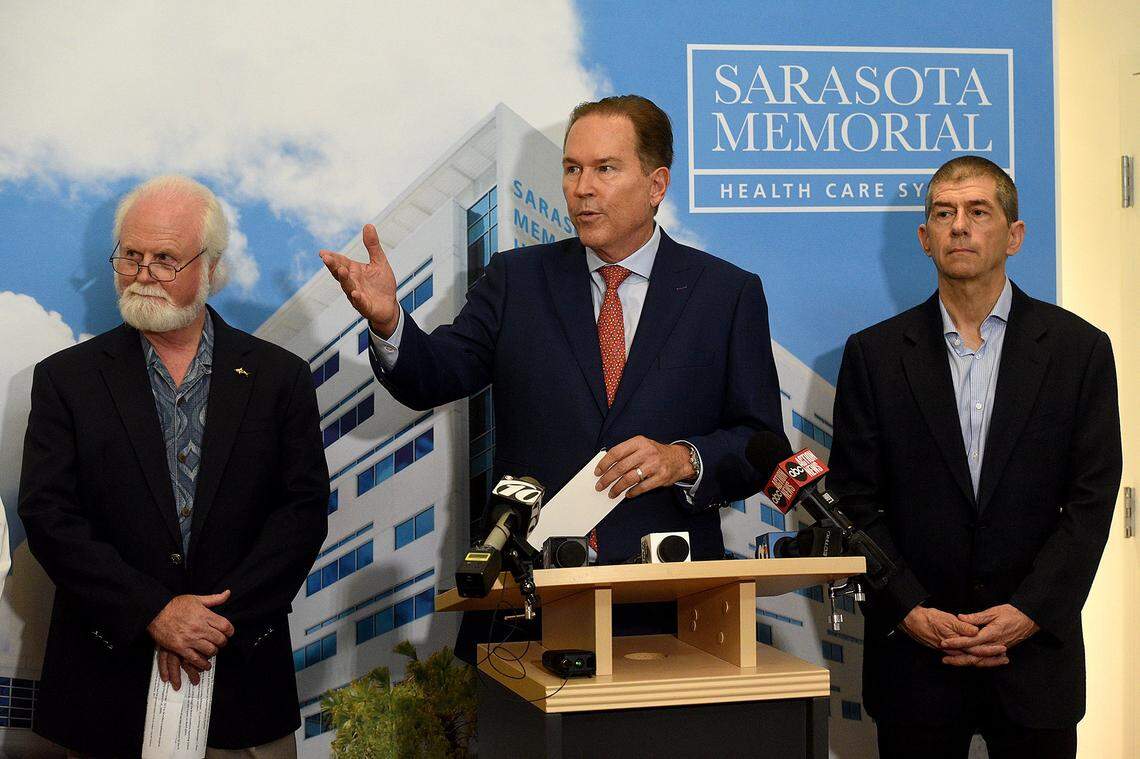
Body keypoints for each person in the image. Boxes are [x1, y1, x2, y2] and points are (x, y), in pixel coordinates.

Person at [320, 95, 784, 650]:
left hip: (674, 607)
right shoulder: (517, 280)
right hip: (528, 601)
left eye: (605, 169)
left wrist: (682, 458)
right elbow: (435, 375)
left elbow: (761, 442)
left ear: (657, 185)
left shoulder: (726, 294)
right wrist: (392, 321)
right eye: (572, 169)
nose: (582, 188)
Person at [18, 175, 329, 757]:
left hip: (241, 681)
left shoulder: (278, 378)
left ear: (209, 267)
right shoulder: (66, 380)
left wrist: (214, 625)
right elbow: (49, 515)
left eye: (165, 259)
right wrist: (153, 612)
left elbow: (302, 514)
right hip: (101, 685)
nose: (142, 273)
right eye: (131, 255)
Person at [828, 156, 1122, 759]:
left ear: (1013, 236)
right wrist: (908, 608)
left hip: (1035, 660)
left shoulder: (1080, 351)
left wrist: (1028, 612)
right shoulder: (874, 356)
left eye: (978, 211)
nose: (959, 226)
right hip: (915, 661)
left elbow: (1090, 502)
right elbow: (856, 502)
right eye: (943, 213)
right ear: (925, 238)